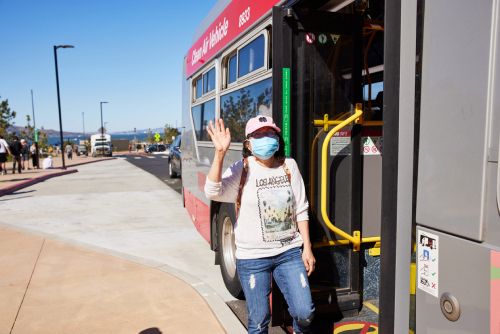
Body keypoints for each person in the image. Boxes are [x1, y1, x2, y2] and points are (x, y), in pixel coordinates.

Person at [204, 117, 315, 334]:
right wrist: (220, 154)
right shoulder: (242, 169)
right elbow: (213, 191)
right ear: (248, 144)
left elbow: (301, 208)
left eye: (270, 133)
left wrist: (307, 248)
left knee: (305, 314)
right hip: (252, 258)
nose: (265, 138)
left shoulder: (288, 166)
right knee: (258, 321)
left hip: (289, 252)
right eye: (258, 134)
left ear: (277, 138)